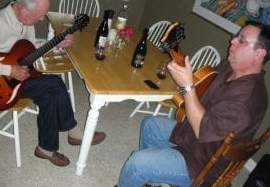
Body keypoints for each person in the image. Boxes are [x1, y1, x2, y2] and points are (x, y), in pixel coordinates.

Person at [115, 21, 270, 187]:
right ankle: (149, 182)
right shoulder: (228, 66)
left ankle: (143, 174)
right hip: (194, 140)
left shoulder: (248, 100)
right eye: (236, 36)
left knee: (138, 163)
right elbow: (203, 93)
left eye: (242, 40)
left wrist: (187, 87)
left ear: (259, 53)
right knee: (150, 125)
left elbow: (203, 130)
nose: (232, 41)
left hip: (202, 163)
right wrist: (185, 74)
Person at [0, 0, 106, 167]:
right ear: (23, 8)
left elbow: (29, 51)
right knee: (53, 85)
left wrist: (56, 44)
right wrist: (9, 70)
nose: (42, 19)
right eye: (40, 15)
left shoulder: (25, 20)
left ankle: (48, 147)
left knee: (51, 91)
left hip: (19, 74)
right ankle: (72, 134)